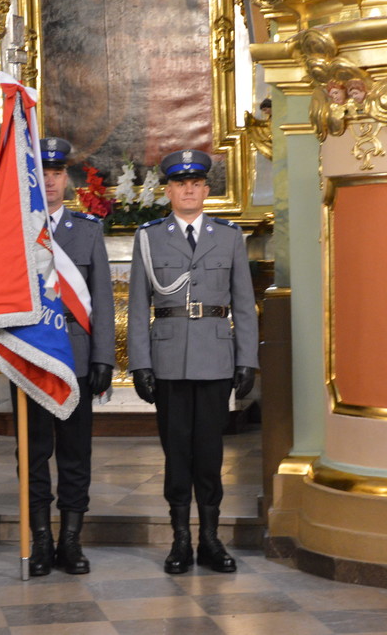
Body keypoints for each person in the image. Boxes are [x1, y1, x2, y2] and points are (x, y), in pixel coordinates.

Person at [127, 149, 258, 575]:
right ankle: (180, 538)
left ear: (205, 189)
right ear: (168, 190)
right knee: (176, 453)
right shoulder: (149, 237)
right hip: (168, 361)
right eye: (180, 183)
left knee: (209, 454)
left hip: (216, 358)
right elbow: (137, 303)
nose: (188, 189)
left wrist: (247, 360)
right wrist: (141, 363)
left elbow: (244, 302)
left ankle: (210, 538)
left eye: (195, 183)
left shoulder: (230, 236)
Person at [14, 137, 115, 577]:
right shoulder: (14, 232)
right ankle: (40, 539)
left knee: (74, 455)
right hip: (29, 358)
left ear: (67, 179)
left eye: (57, 173)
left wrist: (103, 359)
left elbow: (104, 302)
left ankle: (70, 541)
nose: (50, 181)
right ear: (33, 181)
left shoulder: (87, 230)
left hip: (74, 359)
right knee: (33, 455)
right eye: (43, 174)